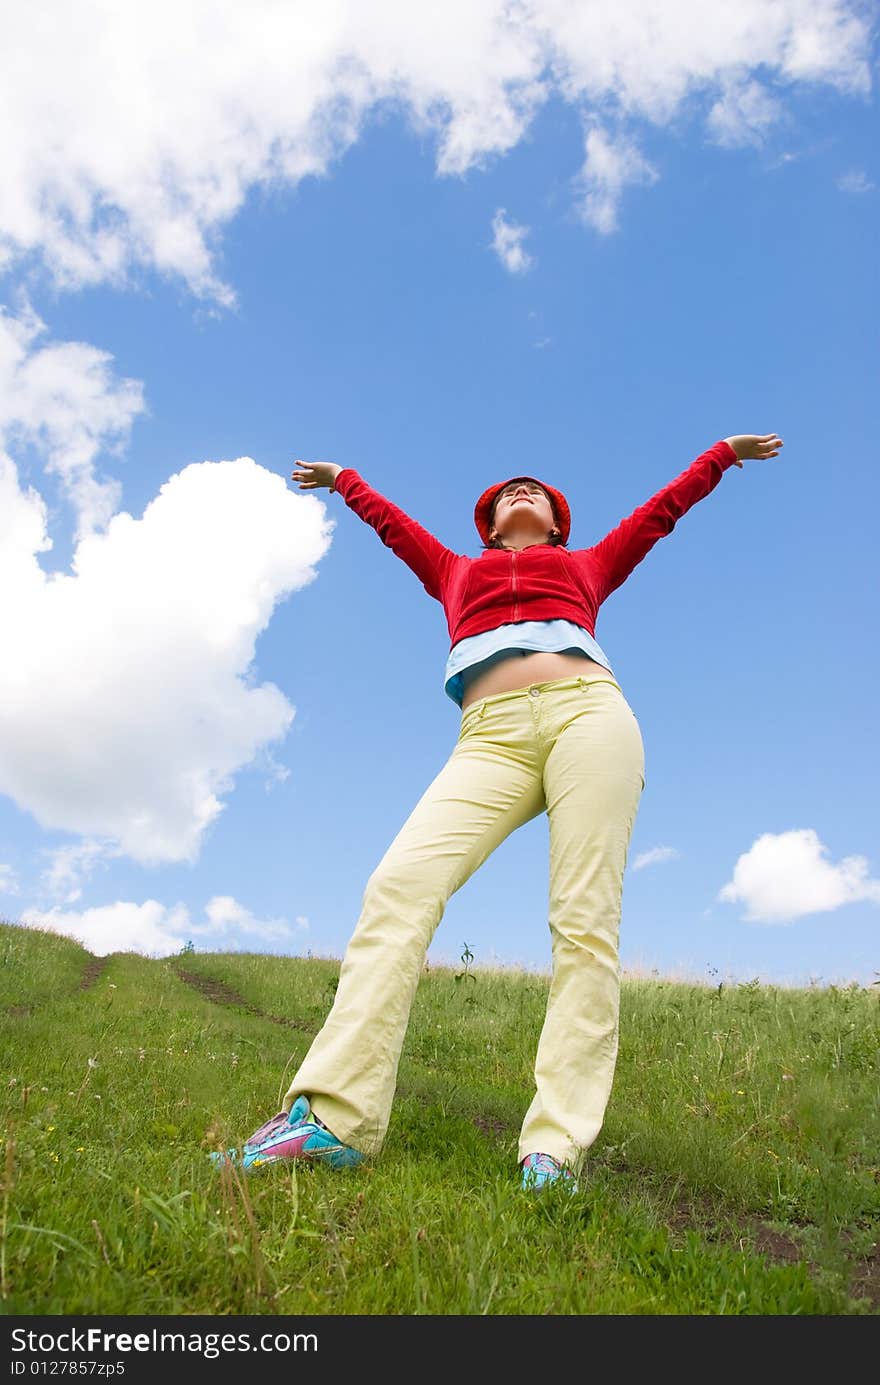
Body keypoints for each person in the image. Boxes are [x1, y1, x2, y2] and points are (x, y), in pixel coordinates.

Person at [212, 431, 783, 1191]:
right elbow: (394, 528)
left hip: (590, 717)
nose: (521, 490)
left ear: (555, 524)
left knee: (583, 920)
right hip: (490, 738)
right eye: (506, 491)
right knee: (399, 886)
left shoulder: (584, 565)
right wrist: (346, 478)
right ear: (487, 526)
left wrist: (720, 455)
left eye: (535, 491)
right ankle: (333, 1121)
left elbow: (659, 513)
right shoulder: (455, 570)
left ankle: (554, 1145)